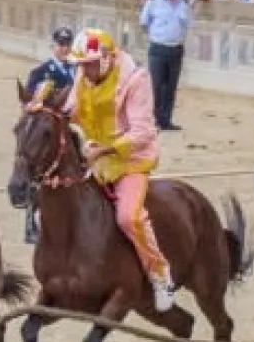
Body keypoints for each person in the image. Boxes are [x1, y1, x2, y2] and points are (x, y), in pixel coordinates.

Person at [66, 29, 175, 310]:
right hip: (94, 158)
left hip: (130, 160)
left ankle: (159, 274)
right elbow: (71, 109)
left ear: (106, 58)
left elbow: (143, 131)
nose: (84, 70)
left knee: (129, 218)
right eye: (80, 65)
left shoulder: (136, 79)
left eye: (88, 64)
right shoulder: (83, 74)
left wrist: (105, 149)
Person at [21, 28, 77, 243]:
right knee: (38, 171)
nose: (65, 48)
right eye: (61, 44)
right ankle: (30, 222)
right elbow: (31, 104)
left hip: (72, 127)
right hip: (49, 130)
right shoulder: (41, 72)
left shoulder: (77, 69)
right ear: (53, 46)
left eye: (67, 44)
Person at [140, 0, 192, 131]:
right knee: (155, 85)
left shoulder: (183, 4)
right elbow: (144, 22)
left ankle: (165, 120)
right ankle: (152, 119)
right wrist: (155, 37)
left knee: (170, 86)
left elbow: (188, 25)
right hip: (158, 46)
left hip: (176, 48)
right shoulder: (154, 1)